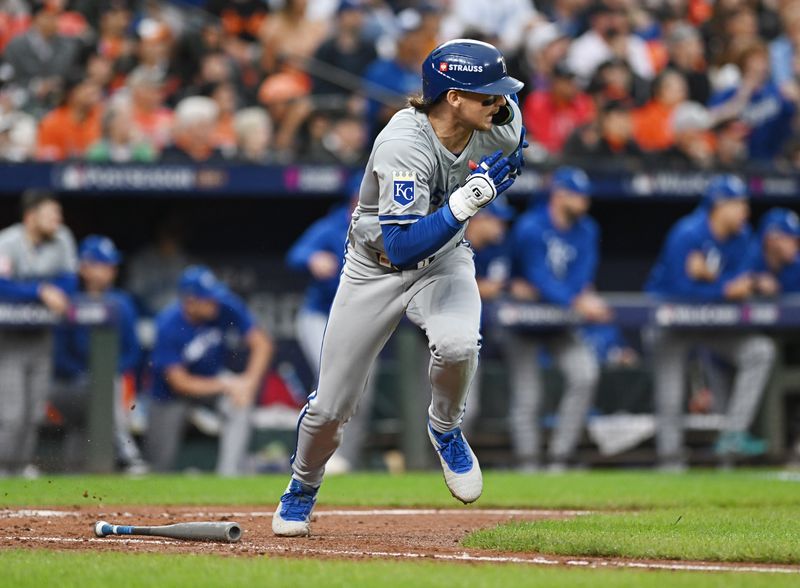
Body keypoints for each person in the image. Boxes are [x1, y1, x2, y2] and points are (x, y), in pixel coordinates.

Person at [272, 39, 525, 536]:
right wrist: (467, 203)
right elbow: (403, 245)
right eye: (488, 94)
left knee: (457, 344)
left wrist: (508, 169)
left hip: (446, 259)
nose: (499, 103)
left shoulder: (497, 119)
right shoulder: (402, 143)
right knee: (330, 408)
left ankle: (445, 427)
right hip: (376, 267)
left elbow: (517, 143)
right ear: (452, 97)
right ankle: (301, 487)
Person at [645, 175, 776, 469]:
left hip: (715, 324)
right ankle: (670, 464)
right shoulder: (687, 232)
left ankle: (732, 437)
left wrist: (711, 279)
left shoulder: (742, 236)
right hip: (671, 324)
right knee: (670, 396)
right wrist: (722, 288)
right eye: (738, 204)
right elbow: (678, 290)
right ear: (719, 205)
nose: (745, 210)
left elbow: (740, 285)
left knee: (759, 350)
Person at [505, 167, 605, 471]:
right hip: (522, 323)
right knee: (528, 396)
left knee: (585, 373)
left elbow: (582, 276)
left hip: (561, 322)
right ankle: (528, 466)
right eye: (577, 195)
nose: (584, 201)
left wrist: (571, 297)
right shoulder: (530, 226)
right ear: (559, 195)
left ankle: (559, 459)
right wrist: (573, 299)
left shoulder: (587, 229)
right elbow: (536, 274)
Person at [145, 265, 273, 475]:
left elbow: (262, 344)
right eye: (207, 298)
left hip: (211, 382)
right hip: (169, 396)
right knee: (160, 465)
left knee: (240, 403)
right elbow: (179, 382)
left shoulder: (224, 306)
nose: (214, 302)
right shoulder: (167, 324)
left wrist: (248, 383)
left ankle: (229, 475)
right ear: (190, 301)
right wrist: (227, 384)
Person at [285, 174, 374, 474]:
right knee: (329, 381)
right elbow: (295, 254)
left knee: (361, 388)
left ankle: (344, 458)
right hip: (321, 316)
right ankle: (309, 455)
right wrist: (312, 259)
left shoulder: (387, 222)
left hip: (360, 320)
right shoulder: (332, 226)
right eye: (361, 196)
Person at [50, 235, 146, 473]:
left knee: (102, 393)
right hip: (69, 387)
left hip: (111, 385)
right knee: (100, 387)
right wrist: (90, 377)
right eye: (101, 263)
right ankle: (127, 452)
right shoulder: (67, 301)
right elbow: (59, 358)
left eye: (111, 265)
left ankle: (75, 475)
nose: (109, 270)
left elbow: (133, 352)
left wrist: (107, 375)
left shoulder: (123, 303)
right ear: (83, 267)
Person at [0, 190, 77, 477]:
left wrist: (43, 292)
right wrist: (39, 290)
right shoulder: (7, 242)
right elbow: (1, 287)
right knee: (11, 414)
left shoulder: (63, 239)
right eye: (50, 215)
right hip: (7, 340)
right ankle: (3, 468)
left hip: (41, 338)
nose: (57, 220)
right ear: (30, 217)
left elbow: (69, 283)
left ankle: (19, 467)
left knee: (33, 413)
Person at [748, 208, 800, 295]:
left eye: (797, 241)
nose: (796, 246)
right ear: (771, 240)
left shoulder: (796, 265)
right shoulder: (749, 258)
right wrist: (755, 283)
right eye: (790, 239)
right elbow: (725, 289)